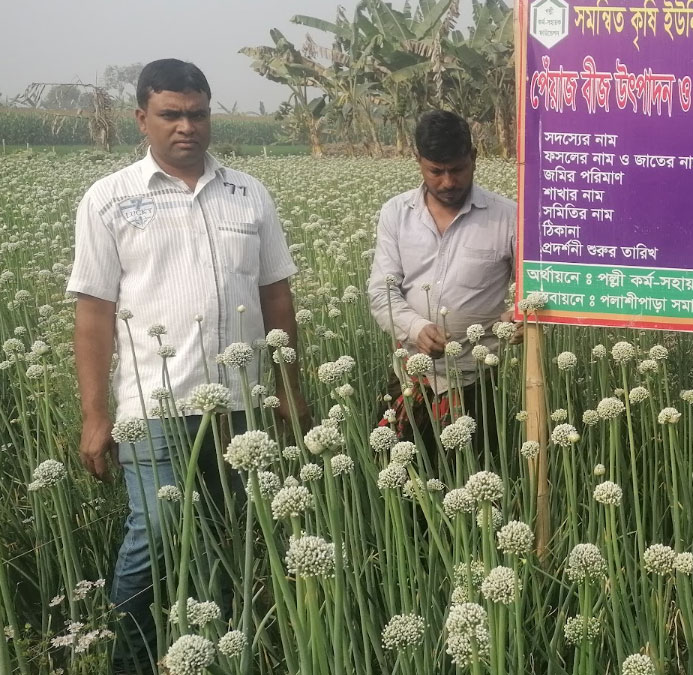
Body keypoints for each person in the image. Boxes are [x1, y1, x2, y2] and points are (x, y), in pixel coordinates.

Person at [67, 59, 308, 672]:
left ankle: (217, 654)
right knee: (157, 531)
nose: (186, 127)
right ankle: (131, 662)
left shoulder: (248, 193)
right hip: (154, 405)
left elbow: (276, 296)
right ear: (141, 118)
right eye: (170, 114)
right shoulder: (109, 199)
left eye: (197, 114)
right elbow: (94, 314)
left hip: (240, 404)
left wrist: (288, 387)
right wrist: (95, 414)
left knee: (231, 537)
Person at [367, 109, 517, 468]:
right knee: (398, 480)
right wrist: (416, 328)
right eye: (436, 171)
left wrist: (519, 317)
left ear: (474, 158)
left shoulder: (508, 216)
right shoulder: (396, 213)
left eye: (458, 169)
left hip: (476, 381)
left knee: (473, 476)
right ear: (418, 160)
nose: (448, 182)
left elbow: (533, 289)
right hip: (410, 377)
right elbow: (381, 292)